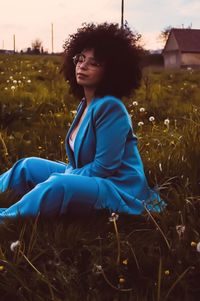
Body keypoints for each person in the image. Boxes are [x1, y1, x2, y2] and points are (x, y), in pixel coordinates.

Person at [0, 23, 163, 223]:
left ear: (111, 70)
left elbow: (104, 168)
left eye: (94, 63)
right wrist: (69, 171)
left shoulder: (111, 107)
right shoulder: (86, 103)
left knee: (58, 184)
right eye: (80, 59)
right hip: (88, 176)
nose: (82, 66)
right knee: (27, 166)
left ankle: (6, 219)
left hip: (116, 188)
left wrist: (67, 173)